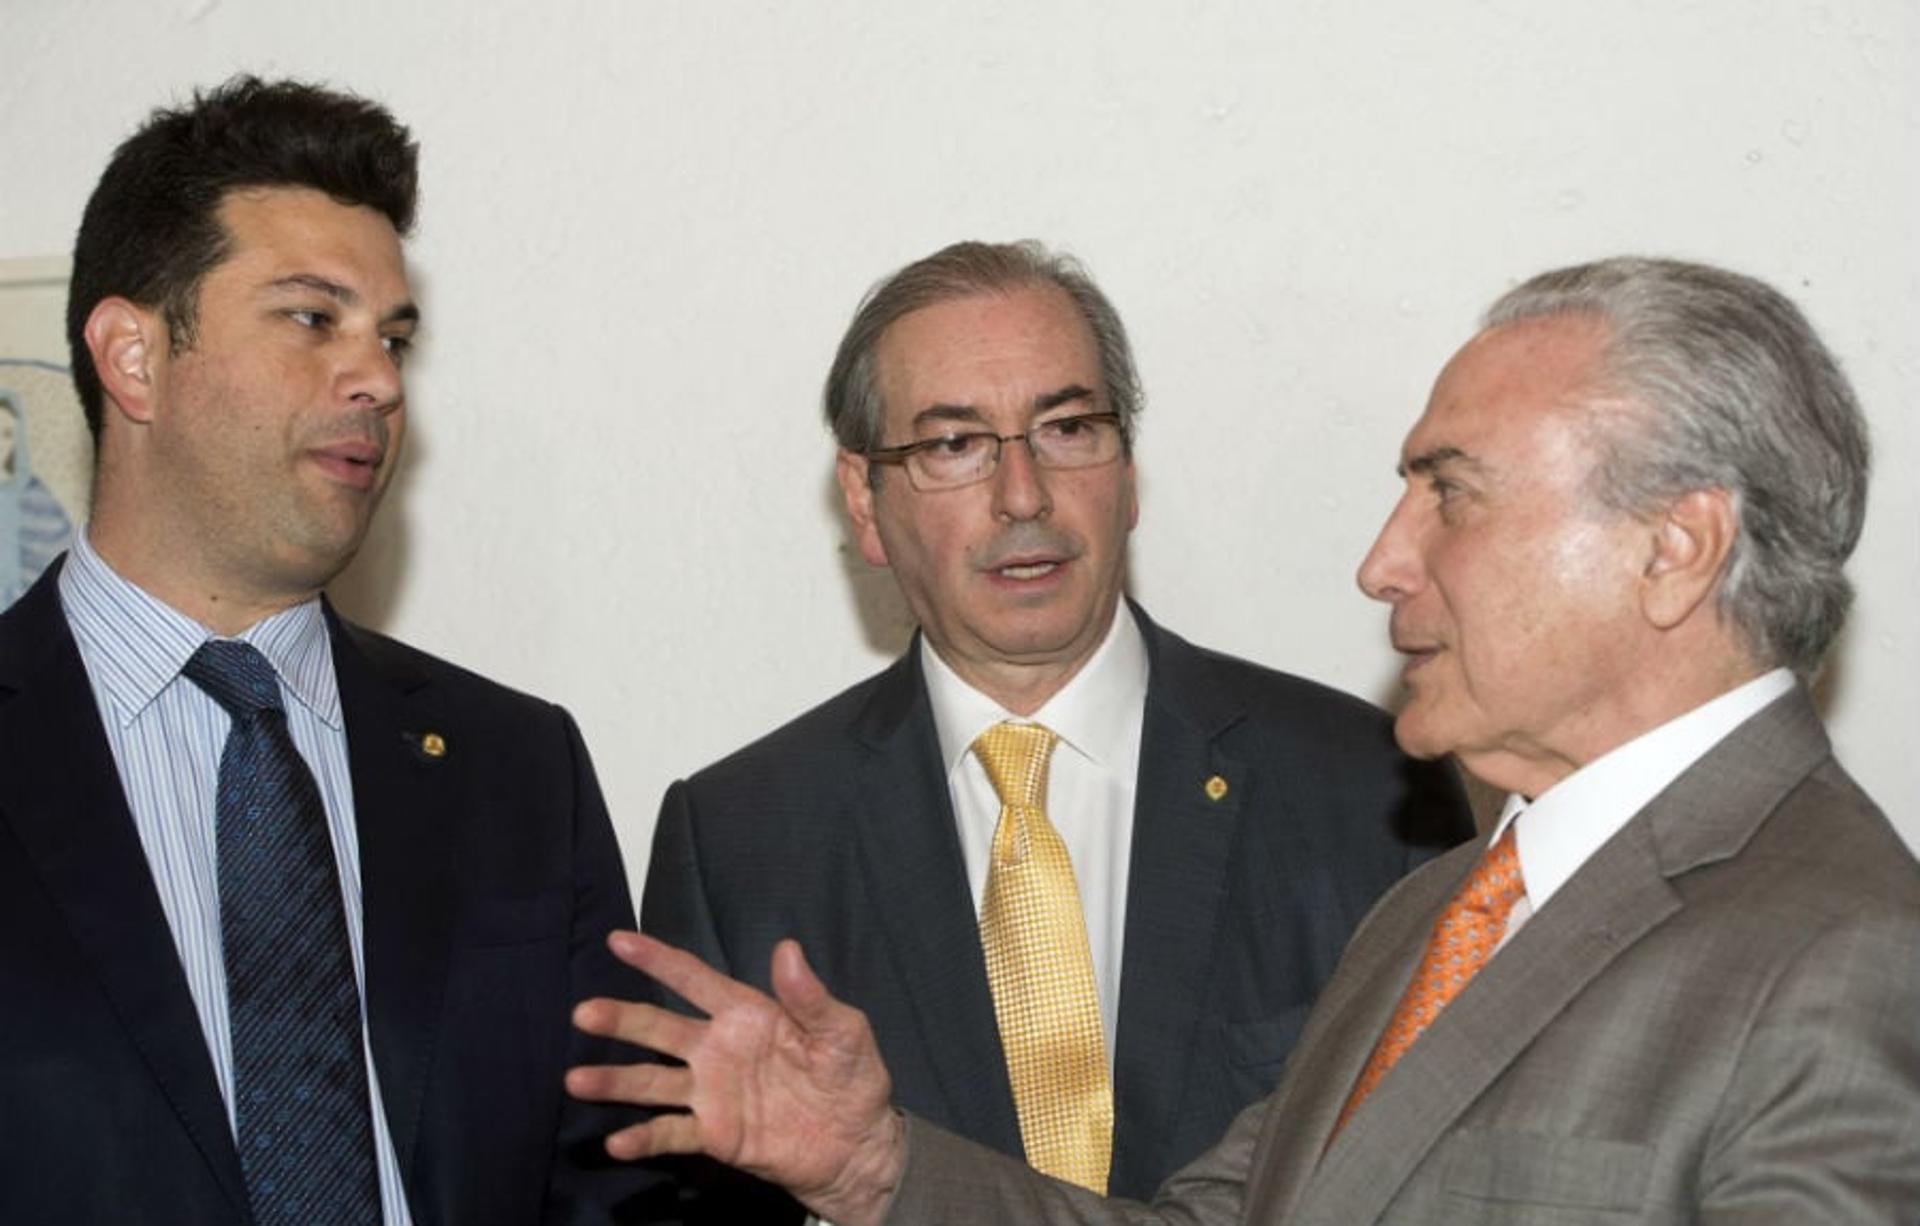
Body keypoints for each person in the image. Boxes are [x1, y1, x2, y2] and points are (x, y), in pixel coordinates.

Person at [568, 255, 1920, 1224]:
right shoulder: (1441, 912)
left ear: (1673, 549)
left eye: (1450, 494)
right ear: (865, 502)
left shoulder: (1854, 962)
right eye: (955, 446)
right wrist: (873, 1170)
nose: (1383, 563)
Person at [634, 239, 1471, 1217]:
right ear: (865, 500)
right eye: (954, 445)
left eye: (1068, 427)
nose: (1023, 494)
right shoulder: (743, 836)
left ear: (1128, 470)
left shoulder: (1367, 787)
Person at [0, 77, 649, 1226]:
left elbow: (616, 1181)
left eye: (393, 336)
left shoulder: (517, 765)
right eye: (314, 319)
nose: (381, 381)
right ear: (133, 357)